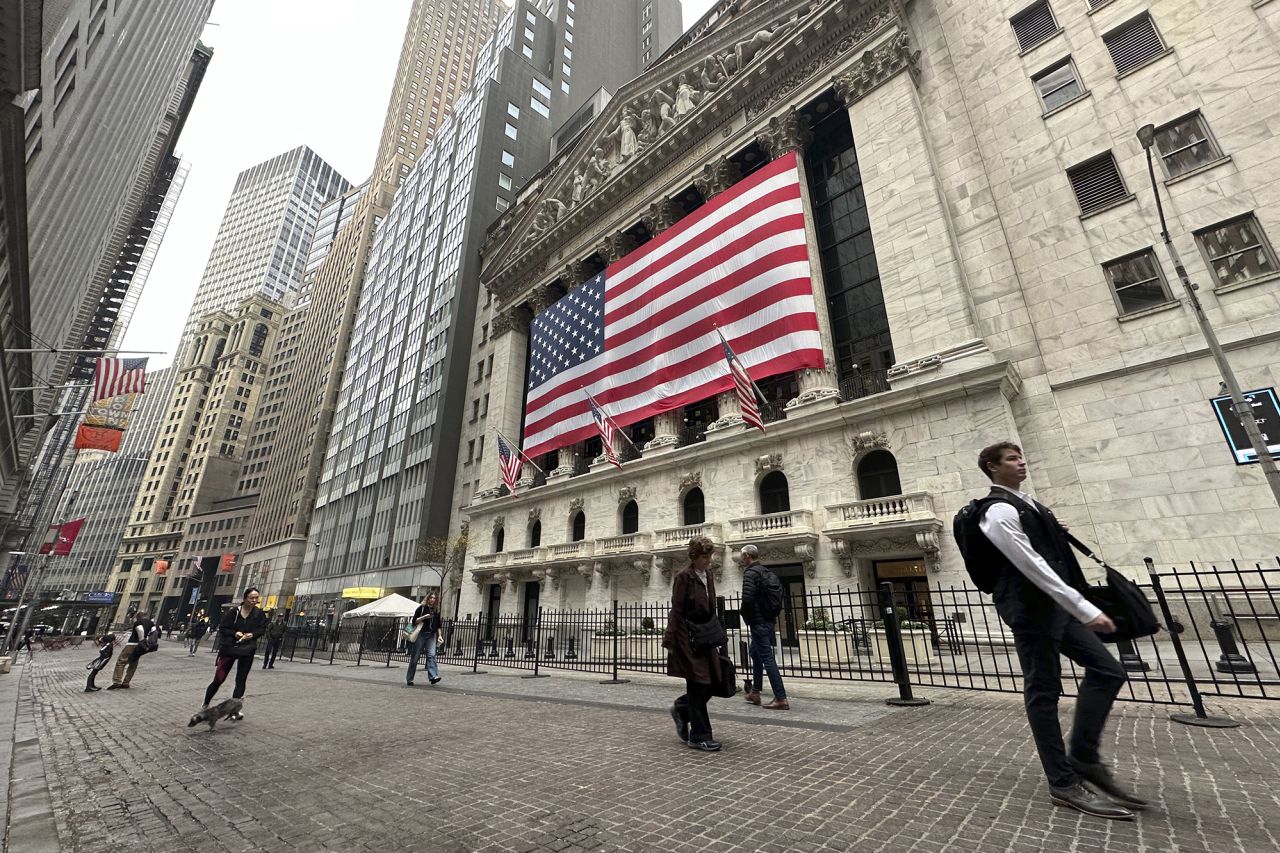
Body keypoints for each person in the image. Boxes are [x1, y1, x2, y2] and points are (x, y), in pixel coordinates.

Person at [974, 442, 1144, 820]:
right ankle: (1062, 783)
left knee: (1109, 670)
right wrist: (1084, 608)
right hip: (1031, 610)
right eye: (1012, 459)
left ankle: (1083, 757)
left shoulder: (1029, 504)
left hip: (1057, 609)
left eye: (1021, 456)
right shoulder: (998, 510)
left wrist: (1051, 527)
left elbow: (1045, 552)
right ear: (992, 467)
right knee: (1043, 689)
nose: (1022, 462)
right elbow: (1030, 564)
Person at [663, 535, 723, 752]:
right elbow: (676, 611)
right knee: (698, 685)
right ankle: (699, 736)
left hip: (705, 636)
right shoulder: (683, 577)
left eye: (710, 556)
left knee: (712, 682)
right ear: (694, 556)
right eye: (704, 556)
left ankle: (680, 708)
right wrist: (670, 640)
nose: (708, 560)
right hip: (687, 637)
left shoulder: (708, 574)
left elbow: (710, 607)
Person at [201, 589, 268, 717]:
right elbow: (223, 628)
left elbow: (262, 629)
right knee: (219, 679)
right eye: (251, 598)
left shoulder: (259, 614)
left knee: (241, 680)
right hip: (229, 649)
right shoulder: (233, 613)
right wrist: (235, 633)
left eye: (256, 598)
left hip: (247, 650)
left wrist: (252, 635)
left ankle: (234, 710)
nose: (254, 601)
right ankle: (205, 704)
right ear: (244, 598)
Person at [739, 544, 788, 710]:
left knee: (767, 658)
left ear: (747, 557)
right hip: (768, 621)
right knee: (754, 652)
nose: (741, 559)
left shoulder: (750, 573)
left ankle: (781, 698)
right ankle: (755, 691)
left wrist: (746, 615)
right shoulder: (766, 571)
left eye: (742, 556)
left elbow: (747, 599)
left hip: (758, 622)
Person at [107, 611, 154, 690]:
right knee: (133, 663)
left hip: (132, 644)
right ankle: (126, 682)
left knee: (121, 662)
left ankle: (117, 681)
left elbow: (140, 630)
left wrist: (141, 640)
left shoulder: (138, 622)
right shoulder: (151, 623)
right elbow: (155, 633)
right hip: (140, 647)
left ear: (138, 617)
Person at [406, 591, 444, 687]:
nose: (432, 600)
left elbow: (439, 625)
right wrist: (424, 617)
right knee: (415, 657)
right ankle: (410, 678)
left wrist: (439, 635)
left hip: (431, 635)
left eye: (434, 598)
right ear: (428, 598)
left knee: (431, 655)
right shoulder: (421, 608)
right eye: (431, 598)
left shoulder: (436, 611)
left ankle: (433, 677)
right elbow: (414, 621)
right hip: (421, 634)